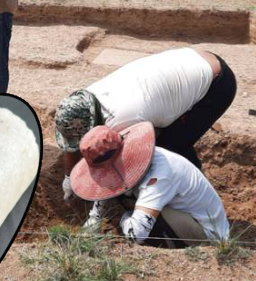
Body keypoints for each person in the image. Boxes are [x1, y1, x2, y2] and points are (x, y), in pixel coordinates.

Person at [55, 48, 236, 203]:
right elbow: (73, 140)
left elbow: (139, 155)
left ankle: (199, 200)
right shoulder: (83, 101)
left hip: (216, 83)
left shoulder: (123, 119)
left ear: (94, 122)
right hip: (191, 59)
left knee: (171, 146)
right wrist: (69, 177)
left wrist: (121, 189)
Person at [69, 122, 230, 247]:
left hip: (208, 236)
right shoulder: (130, 166)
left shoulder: (160, 173)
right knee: (121, 197)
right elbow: (103, 201)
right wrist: (91, 227)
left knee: (140, 227)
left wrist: (122, 218)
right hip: (181, 216)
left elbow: (136, 234)